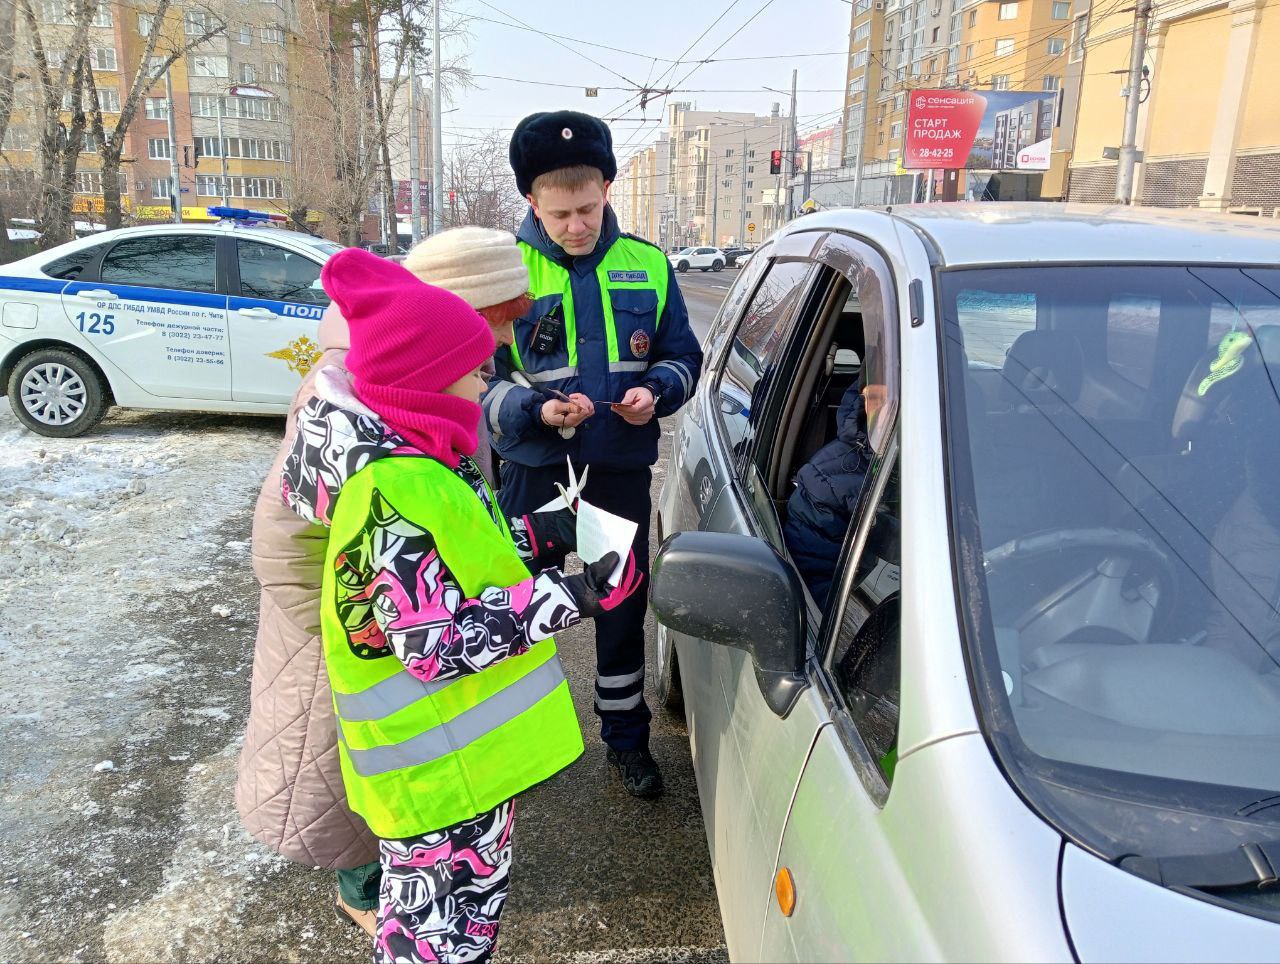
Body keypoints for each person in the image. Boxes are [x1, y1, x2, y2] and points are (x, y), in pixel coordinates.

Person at [282, 248, 643, 963]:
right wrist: (571, 594)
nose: (487, 384)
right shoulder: (390, 489)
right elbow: (435, 643)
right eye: (477, 371)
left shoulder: (422, 460)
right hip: (434, 778)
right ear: (426, 377)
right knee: (437, 945)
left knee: (452, 933)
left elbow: (456, 560)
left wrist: (537, 532)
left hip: (459, 765)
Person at [235, 228, 534, 938]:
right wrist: (359, 623)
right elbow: (284, 544)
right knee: (355, 792)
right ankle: (369, 901)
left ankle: (398, 903)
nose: (498, 350)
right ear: (448, 311)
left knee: (387, 793)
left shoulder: (414, 378)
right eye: (496, 320)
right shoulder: (349, 398)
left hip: (399, 623)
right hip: (358, 642)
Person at [482, 110, 704, 798]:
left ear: (607, 187)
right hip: (535, 477)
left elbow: (683, 358)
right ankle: (511, 748)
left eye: (588, 207)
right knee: (516, 610)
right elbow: (478, 383)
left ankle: (626, 742)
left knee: (619, 607)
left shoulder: (646, 263)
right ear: (530, 202)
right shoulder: (500, 274)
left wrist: (657, 391)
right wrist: (533, 409)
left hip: (613, 474)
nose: (577, 224)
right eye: (560, 213)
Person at [783, 380, 873, 609]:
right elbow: (814, 597)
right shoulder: (824, 479)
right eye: (880, 397)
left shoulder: (966, 462)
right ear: (864, 398)